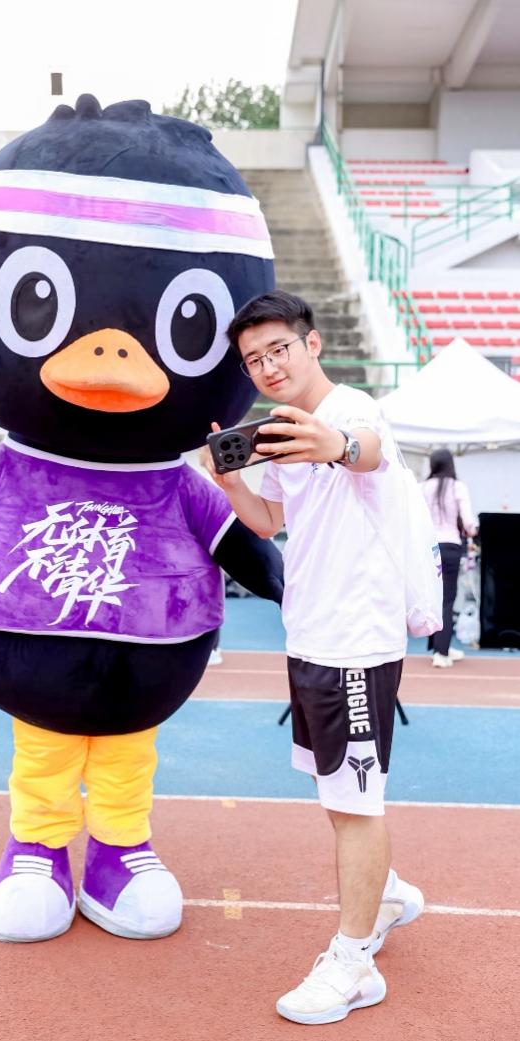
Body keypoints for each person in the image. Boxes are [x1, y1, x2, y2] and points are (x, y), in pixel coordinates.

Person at [203, 290, 423, 1027]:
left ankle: (354, 961)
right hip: (310, 636)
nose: (268, 366)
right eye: (253, 359)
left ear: (312, 344)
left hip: (357, 641)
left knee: (356, 801)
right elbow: (271, 521)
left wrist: (333, 445)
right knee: (335, 792)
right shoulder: (277, 431)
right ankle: (384, 894)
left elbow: (366, 450)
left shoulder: (352, 410)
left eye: (278, 349)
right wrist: (232, 483)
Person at [421, 449, 477, 668]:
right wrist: (472, 530)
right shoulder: (457, 486)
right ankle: (441, 651)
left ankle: (439, 645)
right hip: (450, 545)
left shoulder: (423, 487)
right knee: (447, 598)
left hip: (428, 547)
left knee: (432, 596)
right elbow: (469, 522)